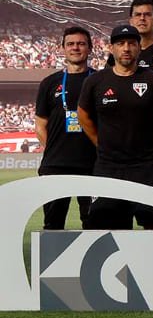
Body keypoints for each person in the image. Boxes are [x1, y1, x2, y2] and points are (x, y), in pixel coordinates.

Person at [76, 25, 153, 230]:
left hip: (146, 166)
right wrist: (98, 141)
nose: (126, 48)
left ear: (139, 48)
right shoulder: (96, 81)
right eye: (120, 44)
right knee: (106, 228)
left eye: (131, 43)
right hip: (108, 166)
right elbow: (83, 115)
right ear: (112, 48)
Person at [34, 26, 96, 229]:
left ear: (90, 48)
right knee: (52, 225)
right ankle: (52, 261)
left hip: (94, 165)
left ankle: (95, 262)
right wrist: (53, 149)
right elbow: (40, 124)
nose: (76, 48)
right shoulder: (49, 83)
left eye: (81, 44)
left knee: (95, 224)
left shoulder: (100, 80)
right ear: (62, 49)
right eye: (70, 44)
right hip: (56, 165)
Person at [106, 0, 153, 70]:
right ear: (131, 21)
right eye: (138, 14)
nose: (142, 18)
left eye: (147, 14)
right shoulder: (120, 53)